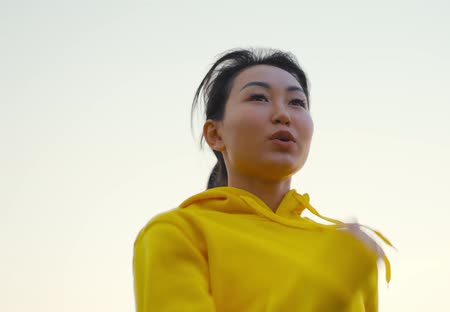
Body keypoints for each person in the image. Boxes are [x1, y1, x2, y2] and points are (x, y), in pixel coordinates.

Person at [133, 48, 392, 311]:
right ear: (215, 134)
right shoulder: (178, 232)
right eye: (258, 97)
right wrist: (331, 284)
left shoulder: (345, 250)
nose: (283, 115)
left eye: (297, 102)